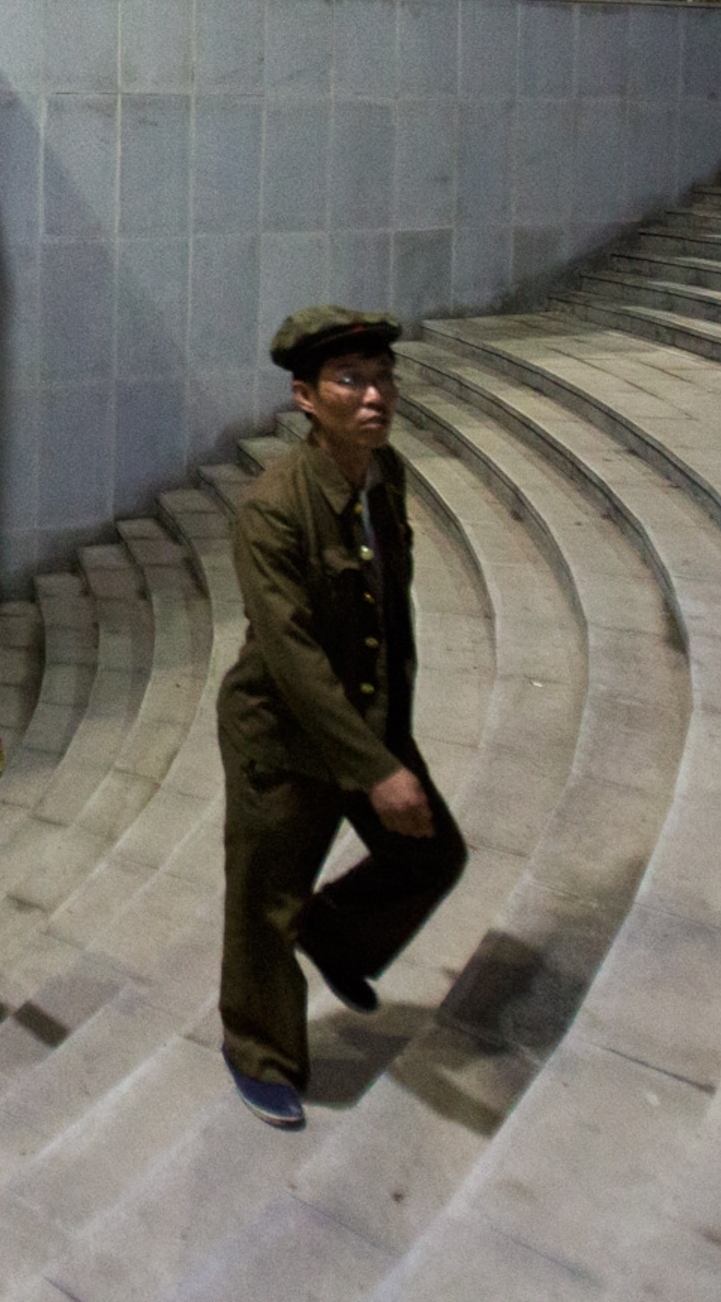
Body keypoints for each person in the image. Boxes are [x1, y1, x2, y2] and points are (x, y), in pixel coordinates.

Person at [216, 306, 469, 1129]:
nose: (374, 396)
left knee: (432, 852)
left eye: (383, 377)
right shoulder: (272, 508)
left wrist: (391, 735)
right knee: (266, 902)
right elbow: (291, 656)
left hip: (365, 715)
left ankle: (339, 936)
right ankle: (259, 1052)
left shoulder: (382, 473)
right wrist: (376, 767)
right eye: (350, 380)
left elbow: (383, 608)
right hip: (282, 737)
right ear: (305, 397)